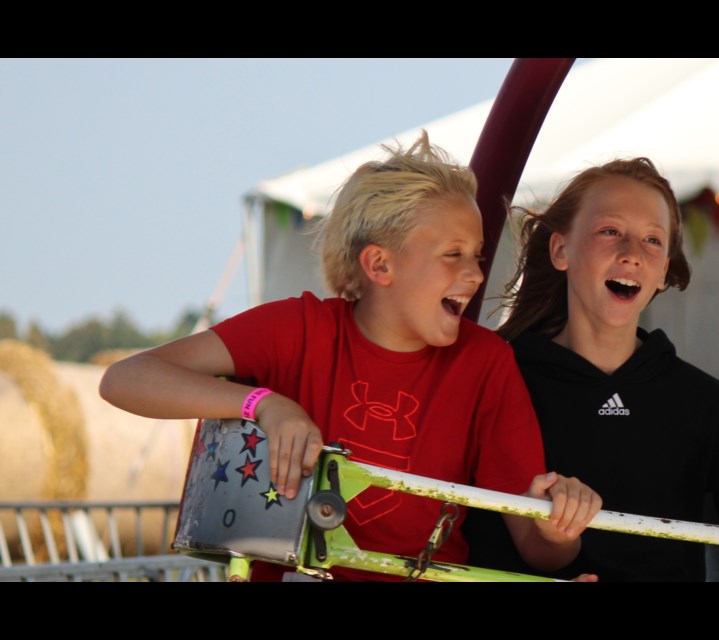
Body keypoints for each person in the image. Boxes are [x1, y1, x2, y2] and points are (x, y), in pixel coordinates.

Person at [99, 131, 601, 581]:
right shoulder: (297, 327)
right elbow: (125, 379)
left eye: (477, 256)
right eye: (453, 254)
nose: (474, 275)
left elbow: (540, 552)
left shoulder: (486, 362)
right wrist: (264, 404)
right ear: (380, 264)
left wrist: (561, 529)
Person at [466, 157, 719, 581]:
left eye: (652, 241)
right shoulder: (499, 379)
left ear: (663, 274)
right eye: (610, 231)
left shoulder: (702, 404)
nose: (631, 254)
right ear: (561, 250)